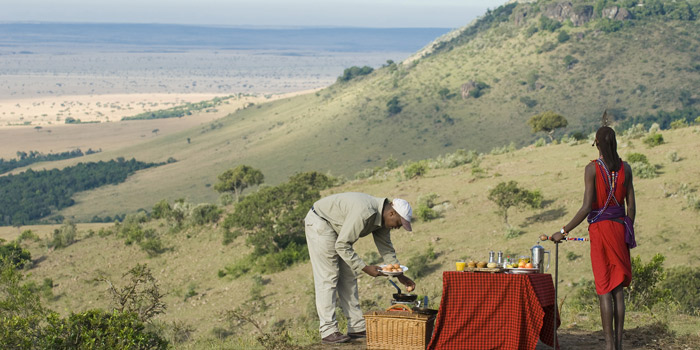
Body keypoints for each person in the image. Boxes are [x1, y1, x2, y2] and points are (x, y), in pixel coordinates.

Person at [548, 126, 636, 350]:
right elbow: (631, 207)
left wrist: (563, 231)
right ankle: (618, 344)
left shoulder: (592, 169)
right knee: (618, 290)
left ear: (597, 144)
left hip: (599, 231)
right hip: (619, 230)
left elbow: (587, 207)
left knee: (604, 288)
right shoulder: (626, 168)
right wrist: (627, 229)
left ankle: (608, 346)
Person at [305, 192, 416, 345]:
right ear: (391, 212)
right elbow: (342, 245)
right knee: (328, 276)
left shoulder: (383, 221)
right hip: (321, 222)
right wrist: (365, 268)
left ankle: (356, 327)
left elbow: (386, 249)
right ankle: (328, 331)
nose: (398, 227)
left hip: (338, 230)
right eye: (399, 222)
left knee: (349, 275)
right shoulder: (365, 212)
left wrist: (399, 275)